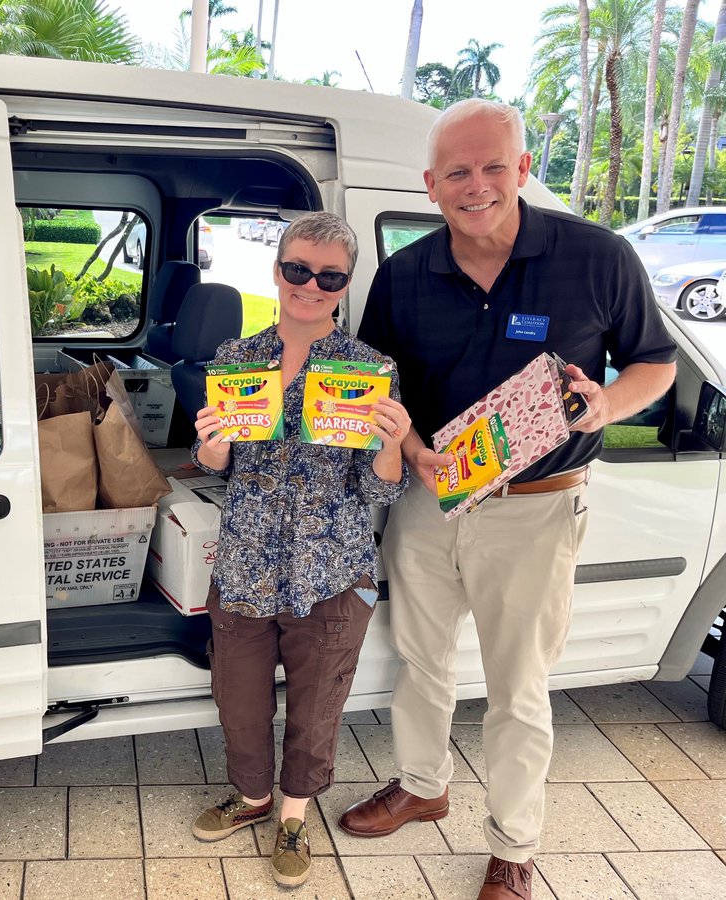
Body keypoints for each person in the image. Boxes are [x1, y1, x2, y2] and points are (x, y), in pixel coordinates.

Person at [343, 99, 677, 900]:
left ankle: (514, 846)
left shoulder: (597, 256)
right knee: (420, 664)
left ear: (523, 169)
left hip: (538, 506)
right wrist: (414, 449)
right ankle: (423, 785)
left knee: (518, 688)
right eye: (457, 171)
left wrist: (605, 404)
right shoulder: (404, 273)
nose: (477, 184)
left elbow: (655, 364)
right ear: (430, 185)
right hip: (431, 503)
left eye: (495, 166)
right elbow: (380, 388)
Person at [189, 212, 410, 888]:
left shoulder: (369, 370)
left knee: (317, 706)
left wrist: (394, 443)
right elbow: (215, 467)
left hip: (331, 571)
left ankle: (292, 815)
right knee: (239, 697)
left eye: (329, 276)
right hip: (246, 564)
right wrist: (211, 444)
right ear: (277, 269)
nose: (310, 285)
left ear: (344, 284)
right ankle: (252, 798)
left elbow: (380, 495)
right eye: (297, 269)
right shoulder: (236, 358)